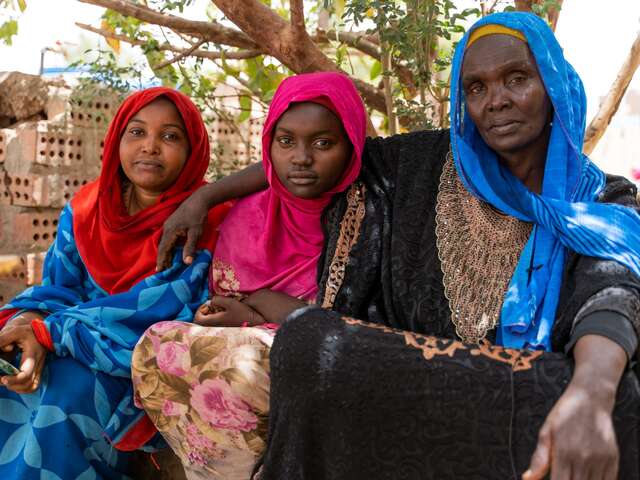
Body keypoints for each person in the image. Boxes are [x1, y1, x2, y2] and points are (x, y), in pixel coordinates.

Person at [157, 13, 640, 480]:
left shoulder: (601, 199)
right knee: (307, 343)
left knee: (622, 401)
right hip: (411, 375)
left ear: (554, 84)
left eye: (516, 79)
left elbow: (610, 293)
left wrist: (591, 393)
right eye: (476, 87)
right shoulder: (416, 164)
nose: (496, 101)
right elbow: (317, 153)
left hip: (525, 387)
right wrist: (206, 195)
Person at [131, 72, 367, 479]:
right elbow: (224, 300)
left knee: (249, 365)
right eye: (286, 141)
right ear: (269, 145)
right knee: (158, 345)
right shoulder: (249, 216)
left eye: (323, 144)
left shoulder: (371, 216)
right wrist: (235, 314)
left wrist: (258, 312)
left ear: (352, 145)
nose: (302, 158)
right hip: (249, 341)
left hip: (320, 354)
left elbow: (350, 325)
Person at [0, 87, 232, 479]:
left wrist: (49, 333)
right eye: (136, 132)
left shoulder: (209, 219)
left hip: (139, 362)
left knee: (65, 392)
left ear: (193, 150)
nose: (151, 147)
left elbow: (164, 309)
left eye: (170, 136)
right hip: (70, 340)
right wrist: (28, 321)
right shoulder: (86, 208)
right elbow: (59, 289)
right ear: (117, 141)